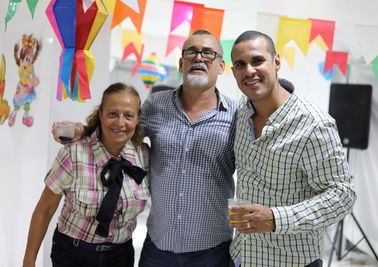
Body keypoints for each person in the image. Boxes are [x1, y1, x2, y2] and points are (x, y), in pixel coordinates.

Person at [52, 30, 237, 267]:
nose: (198, 58)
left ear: (221, 66)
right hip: (158, 247)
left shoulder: (236, 116)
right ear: (181, 64)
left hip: (212, 250)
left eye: (208, 53)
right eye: (191, 52)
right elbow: (121, 129)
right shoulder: (156, 106)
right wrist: (84, 129)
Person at [227, 30, 357, 266]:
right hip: (243, 256)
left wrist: (276, 218)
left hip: (292, 261)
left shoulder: (314, 124)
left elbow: (342, 196)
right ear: (233, 70)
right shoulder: (242, 112)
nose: (249, 71)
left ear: (276, 61)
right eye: (240, 64)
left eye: (257, 60)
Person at [23, 83, 150, 267]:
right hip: (72, 254)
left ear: (137, 119)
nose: (120, 122)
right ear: (100, 114)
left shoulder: (144, 156)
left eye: (128, 116)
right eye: (112, 114)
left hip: (121, 256)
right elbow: (45, 210)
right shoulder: (73, 154)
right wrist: (29, 261)